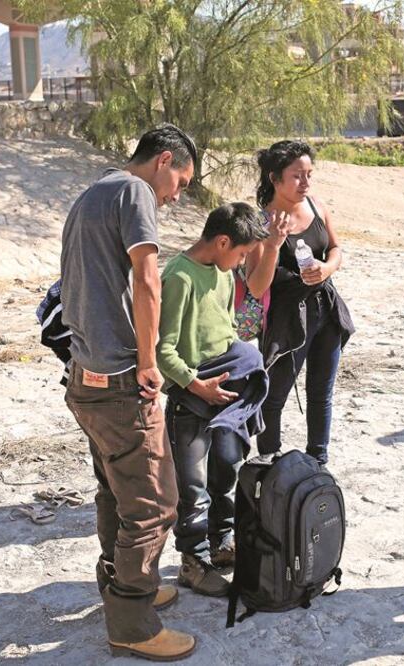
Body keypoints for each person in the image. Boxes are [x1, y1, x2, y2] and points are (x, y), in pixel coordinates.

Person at [60, 124, 197, 661]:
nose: (176, 194)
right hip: (119, 379)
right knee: (154, 505)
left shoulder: (94, 191)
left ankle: (120, 586)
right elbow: (148, 279)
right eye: (180, 182)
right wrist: (147, 363)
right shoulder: (135, 192)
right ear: (163, 161)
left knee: (116, 491)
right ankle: (133, 622)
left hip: (85, 374)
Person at [157, 202, 269, 597]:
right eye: (241, 253)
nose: (242, 262)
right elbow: (162, 350)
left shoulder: (224, 275)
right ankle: (193, 561)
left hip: (226, 397)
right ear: (222, 241)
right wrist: (194, 384)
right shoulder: (179, 277)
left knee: (228, 471)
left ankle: (223, 544)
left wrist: (243, 366)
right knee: (193, 488)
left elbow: (226, 332)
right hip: (190, 401)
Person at [248, 140, 354, 466]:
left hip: (326, 311)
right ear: (274, 178)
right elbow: (255, 285)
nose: (305, 183)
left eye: (309, 174)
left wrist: (326, 268)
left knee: (321, 393)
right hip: (286, 321)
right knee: (274, 396)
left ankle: (318, 462)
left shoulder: (317, 207)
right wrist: (273, 245)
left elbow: (336, 249)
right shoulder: (260, 224)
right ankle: (269, 461)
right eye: (297, 176)